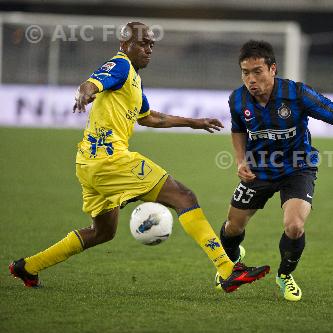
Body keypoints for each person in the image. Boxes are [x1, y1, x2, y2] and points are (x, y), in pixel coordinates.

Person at [9, 23, 269, 293]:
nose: (148, 49)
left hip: (89, 163)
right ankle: (228, 269)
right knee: (184, 197)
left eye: (152, 44)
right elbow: (91, 84)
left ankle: (28, 266)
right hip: (110, 159)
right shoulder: (120, 65)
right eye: (142, 43)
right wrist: (84, 93)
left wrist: (193, 122)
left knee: (102, 232)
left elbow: (151, 117)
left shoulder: (132, 78)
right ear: (124, 45)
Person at [216, 40, 333, 301]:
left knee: (295, 226)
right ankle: (232, 265)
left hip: (298, 166)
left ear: (272, 69)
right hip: (259, 170)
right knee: (232, 228)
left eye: (257, 71)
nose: (251, 79)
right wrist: (240, 162)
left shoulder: (297, 94)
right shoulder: (237, 99)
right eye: (245, 72)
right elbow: (238, 129)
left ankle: (285, 275)